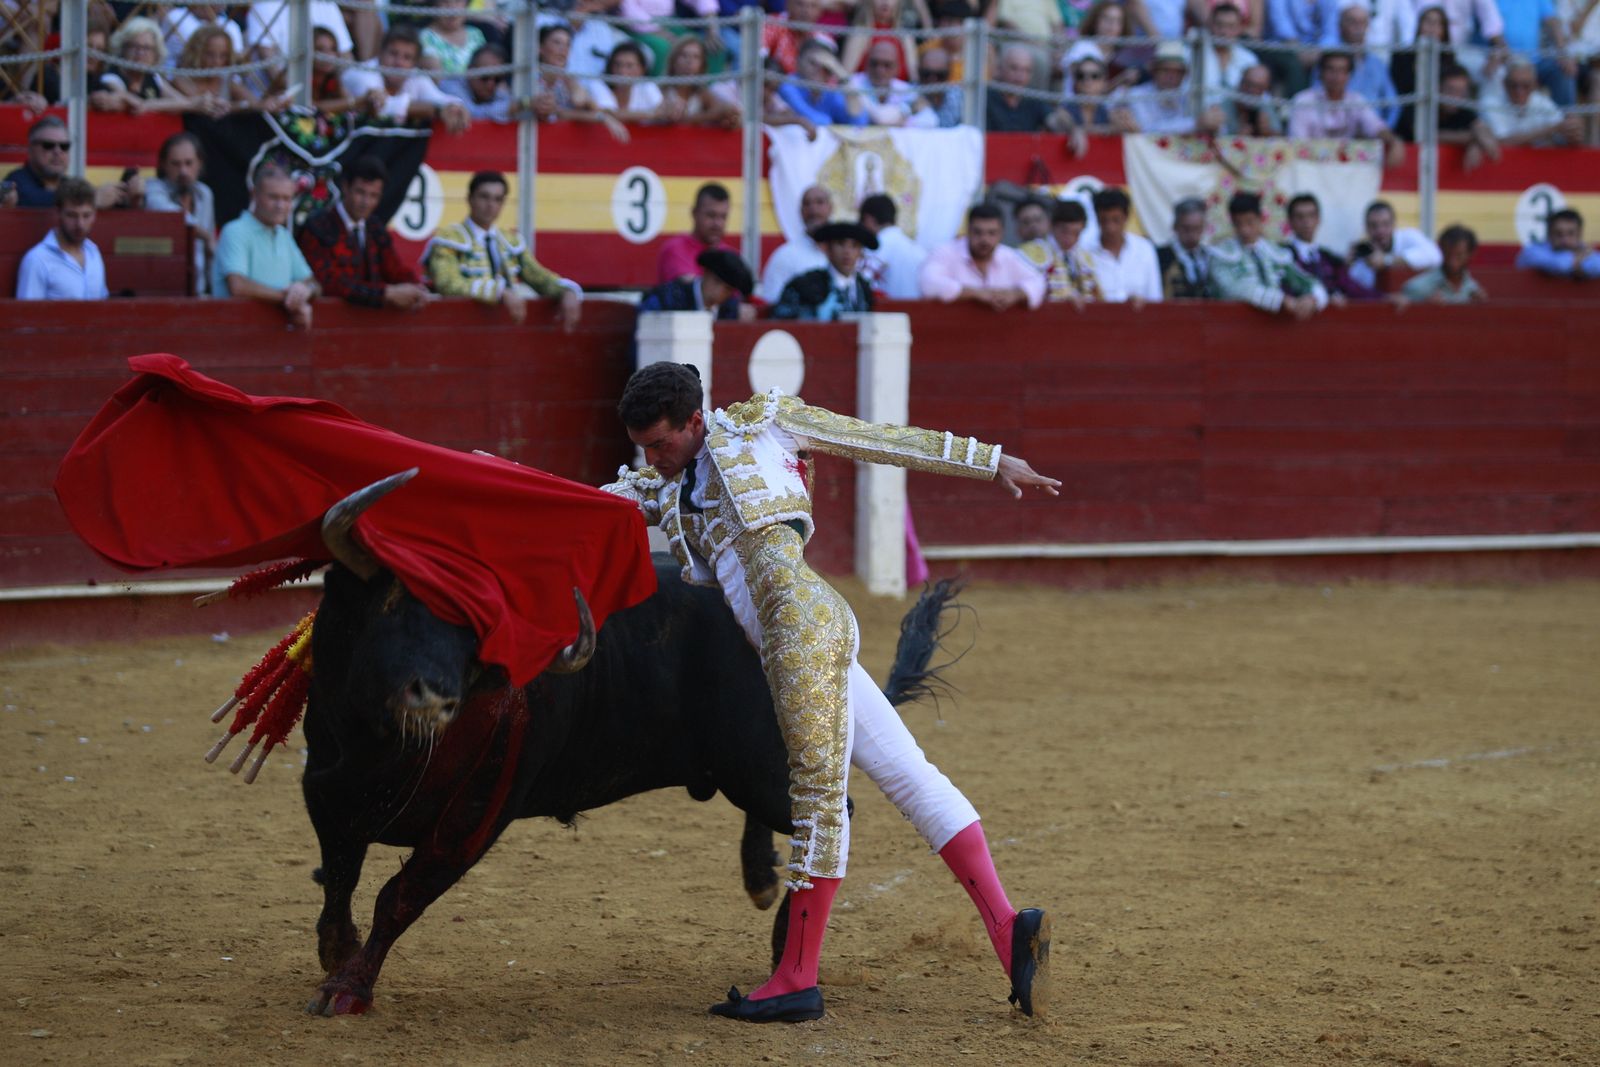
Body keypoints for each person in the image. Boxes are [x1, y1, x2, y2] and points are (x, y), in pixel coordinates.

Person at [600, 360, 1057, 1023]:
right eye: (643, 446)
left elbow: (877, 438)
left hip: (801, 631)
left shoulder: (766, 423)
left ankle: (795, 978)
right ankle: (1009, 926)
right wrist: (499, 480)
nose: (652, 456)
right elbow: (586, 502)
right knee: (907, 773)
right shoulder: (663, 487)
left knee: (816, 798)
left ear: (695, 421)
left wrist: (990, 461)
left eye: (661, 442)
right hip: (801, 635)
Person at [425, 170, 584, 329]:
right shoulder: (448, 239)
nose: (490, 205)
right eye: (484, 197)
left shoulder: (510, 241)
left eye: (497, 199)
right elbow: (448, 284)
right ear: (470, 199)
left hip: (503, 330)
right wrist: (499, 292)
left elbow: (539, 277)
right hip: (459, 328)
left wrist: (566, 291)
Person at [298, 156, 432, 312]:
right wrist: (385, 294)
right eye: (360, 192)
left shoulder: (375, 228)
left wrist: (416, 287)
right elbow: (329, 282)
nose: (366, 202)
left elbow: (394, 269)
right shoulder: (318, 226)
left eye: (373, 195)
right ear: (345, 187)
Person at [214, 164, 321, 328]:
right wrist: (289, 298)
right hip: (234, 338)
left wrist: (305, 291)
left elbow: (313, 283)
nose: (280, 205)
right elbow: (238, 286)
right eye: (273, 197)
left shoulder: (283, 235)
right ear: (254, 195)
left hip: (272, 340)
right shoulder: (235, 231)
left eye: (287, 198)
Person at [1209, 191, 1328, 319]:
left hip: (1272, 327)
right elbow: (1231, 288)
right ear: (1232, 222)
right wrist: (1279, 300)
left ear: (1261, 219)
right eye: (1239, 224)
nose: (1245, 230)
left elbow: (1305, 281)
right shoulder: (1220, 254)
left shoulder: (1275, 253)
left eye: (1250, 222)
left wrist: (1313, 299)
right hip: (1233, 324)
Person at [342, 24, 472, 133]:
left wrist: (455, 106)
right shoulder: (363, 74)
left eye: (407, 57)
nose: (399, 62)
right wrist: (437, 110)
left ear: (415, 63)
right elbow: (384, 108)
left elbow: (437, 98)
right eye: (393, 53)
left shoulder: (415, 76)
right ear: (380, 52)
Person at [919, 202, 1047, 311]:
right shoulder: (945, 252)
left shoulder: (1008, 256)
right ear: (968, 231)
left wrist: (1015, 294)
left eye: (992, 233)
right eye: (978, 232)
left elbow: (1038, 282)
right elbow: (928, 283)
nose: (984, 239)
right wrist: (976, 293)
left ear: (1001, 233)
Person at [1287, 51, 1407, 168]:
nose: (1336, 76)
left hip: (1347, 171)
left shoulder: (1356, 101)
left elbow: (1375, 126)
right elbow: (1298, 143)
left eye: (1342, 71)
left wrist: (1393, 141)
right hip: (1310, 167)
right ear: (1320, 73)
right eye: (1331, 70)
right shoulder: (1303, 101)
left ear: (1349, 76)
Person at [144, 131, 218, 296]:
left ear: (200, 163)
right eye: (176, 164)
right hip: (162, 291)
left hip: (198, 290)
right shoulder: (153, 189)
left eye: (189, 163)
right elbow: (176, 219)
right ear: (163, 165)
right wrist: (207, 236)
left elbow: (209, 251)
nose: (183, 171)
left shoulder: (204, 194)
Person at [15, 178, 108, 301]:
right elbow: (27, 316)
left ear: (95, 215)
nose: (80, 224)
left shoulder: (94, 252)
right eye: (72, 215)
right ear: (58, 213)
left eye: (86, 215)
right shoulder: (37, 260)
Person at [1112, 42, 1224, 135]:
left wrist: (1214, 123)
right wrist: (1195, 124)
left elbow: (1219, 129)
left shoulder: (1190, 98)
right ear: (1154, 71)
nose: (1171, 76)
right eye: (1166, 70)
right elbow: (1148, 130)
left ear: (1185, 74)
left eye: (1178, 72)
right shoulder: (1135, 95)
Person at [771, 221, 878, 319]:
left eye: (854, 246)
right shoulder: (803, 286)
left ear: (861, 253)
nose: (847, 252)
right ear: (828, 249)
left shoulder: (864, 289)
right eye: (841, 244)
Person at [1282, 193, 1378, 301]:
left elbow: (1352, 288)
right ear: (1290, 221)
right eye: (1300, 217)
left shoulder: (1330, 259)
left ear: (1318, 219)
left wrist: (1386, 298)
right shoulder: (1281, 255)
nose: (1306, 221)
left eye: (1311, 215)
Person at [1480, 57, 1585, 145]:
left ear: (1535, 85)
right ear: (1504, 84)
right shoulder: (1490, 103)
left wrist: (1573, 133)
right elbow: (1503, 142)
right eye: (1514, 85)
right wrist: (1551, 129)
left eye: (1526, 86)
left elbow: (1564, 134)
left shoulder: (1542, 103)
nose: (1519, 91)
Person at [1085, 187, 1162, 306]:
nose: (1110, 228)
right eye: (1104, 221)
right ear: (1096, 218)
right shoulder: (1084, 251)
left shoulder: (1144, 249)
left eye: (1116, 220)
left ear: (1126, 217)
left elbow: (1155, 297)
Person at [98, 17, 191, 114]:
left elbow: (182, 102)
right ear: (123, 49)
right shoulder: (112, 77)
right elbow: (136, 104)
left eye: (147, 48)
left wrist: (193, 104)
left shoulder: (153, 77)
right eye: (134, 46)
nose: (140, 53)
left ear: (156, 54)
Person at [1019, 198, 1101, 305]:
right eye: (1065, 231)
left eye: (1076, 233)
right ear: (1052, 226)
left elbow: (1098, 296)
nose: (1070, 239)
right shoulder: (1030, 252)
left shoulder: (1086, 257)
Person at [759, 185, 834, 303]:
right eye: (807, 204)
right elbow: (770, 302)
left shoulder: (845, 255)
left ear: (830, 208)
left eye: (820, 202)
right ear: (801, 212)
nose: (813, 210)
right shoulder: (785, 256)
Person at [1348, 199, 1443, 290]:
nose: (1380, 231)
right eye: (1374, 225)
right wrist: (1346, 267)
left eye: (1385, 224)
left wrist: (1387, 260)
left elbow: (1435, 256)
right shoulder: (1363, 256)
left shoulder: (1409, 236)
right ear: (1366, 228)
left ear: (1394, 224)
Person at [637, 248, 755, 318]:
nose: (719, 292)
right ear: (705, 273)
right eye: (716, 282)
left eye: (727, 289)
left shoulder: (730, 311)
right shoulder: (667, 299)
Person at [778, 40, 868, 127]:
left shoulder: (828, 93)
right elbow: (818, 120)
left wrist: (840, 73)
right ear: (798, 62)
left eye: (824, 66)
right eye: (812, 63)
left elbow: (859, 121)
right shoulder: (788, 85)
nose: (818, 69)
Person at [659, 183, 736, 283]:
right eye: (711, 215)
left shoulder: (730, 255)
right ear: (694, 213)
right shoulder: (675, 249)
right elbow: (692, 291)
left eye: (723, 217)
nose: (718, 223)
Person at [986, 46, 1074, 133]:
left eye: (1026, 70)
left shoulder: (1033, 99)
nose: (1020, 77)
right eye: (1014, 68)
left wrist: (1074, 130)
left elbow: (1055, 122)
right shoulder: (985, 98)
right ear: (999, 69)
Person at [858, 193, 928, 300]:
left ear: (868, 219)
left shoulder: (873, 249)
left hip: (883, 314)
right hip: (916, 313)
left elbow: (859, 286)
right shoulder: (919, 251)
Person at [848, 39, 933, 126]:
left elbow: (931, 120)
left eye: (887, 65)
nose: (880, 70)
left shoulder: (905, 89)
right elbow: (880, 118)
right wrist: (908, 110)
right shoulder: (852, 83)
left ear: (897, 68)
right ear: (866, 64)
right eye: (875, 63)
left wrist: (904, 121)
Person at [1400, 224, 1486, 302]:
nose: (1452, 262)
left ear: (1470, 255)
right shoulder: (1418, 288)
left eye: (1459, 256)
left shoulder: (1473, 289)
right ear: (1441, 251)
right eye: (1448, 254)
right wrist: (1424, 308)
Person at [587, 41, 666, 125]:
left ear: (642, 69)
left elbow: (662, 112)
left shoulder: (647, 86)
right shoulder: (598, 84)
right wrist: (652, 114)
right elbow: (608, 114)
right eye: (617, 65)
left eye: (629, 66)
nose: (622, 71)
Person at [1516, 207, 1600, 279]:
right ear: (1549, 234)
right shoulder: (1533, 252)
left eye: (1571, 233)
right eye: (1558, 234)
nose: (1565, 240)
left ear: (1579, 234)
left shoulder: (1584, 251)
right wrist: (1578, 260)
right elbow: (1560, 266)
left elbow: (1597, 265)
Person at [1156, 198, 1214, 301]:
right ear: (1175, 227)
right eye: (1186, 228)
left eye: (1197, 228)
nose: (1191, 234)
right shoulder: (1160, 256)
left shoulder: (1211, 256)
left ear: (1204, 228)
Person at [420, 0, 487, 75]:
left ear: (467, 4)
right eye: (445, 2)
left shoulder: (476, 34)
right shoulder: (425, 37)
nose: (452, 7)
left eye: (458, 1)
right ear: (435, 5)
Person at [1224, 64, 1282, 135]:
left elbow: (1279, 134)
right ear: (1241, 81)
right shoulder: (1227, 99)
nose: (1252, 90)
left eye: (1258, 87)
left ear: (1265, 89)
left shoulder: (1264, 102)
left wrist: (1267, 131)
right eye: (1249, 84)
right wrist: (1237, 136)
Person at [917, 46, 966, 128]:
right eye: (926, 74)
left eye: (940, 75)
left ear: (949, 74)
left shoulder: (960, 98)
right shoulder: (907, 94)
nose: (932, 80)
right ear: (918, 71)